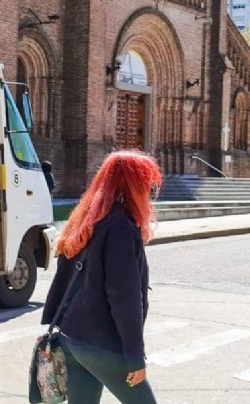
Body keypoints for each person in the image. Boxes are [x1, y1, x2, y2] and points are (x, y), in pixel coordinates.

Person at [41, 150, 162, 404]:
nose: (150, 193)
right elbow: (123, 297)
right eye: (147, 185)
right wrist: (135, 356)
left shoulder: (87, 219)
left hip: (72, 337)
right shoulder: (121, 229)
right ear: (133, 186)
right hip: (101, 344)